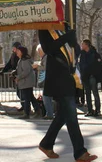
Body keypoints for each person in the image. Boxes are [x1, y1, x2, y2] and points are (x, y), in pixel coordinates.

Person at [37, 28, 98, 162]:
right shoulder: (44, 29)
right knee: (71, 115)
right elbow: (49, 49)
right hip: (57, 79)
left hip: (68, 76)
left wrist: (73, 39)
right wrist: (65, 38)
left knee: (63, 115)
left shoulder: (62, 28)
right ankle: (80, 152)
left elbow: (75, 49)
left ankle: (46, 143)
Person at [77, 39, 102, 117]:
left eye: (83, 44)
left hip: (92, 76)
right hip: (85, 76)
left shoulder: (94, 53)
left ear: (87, 45)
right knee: (87, 93)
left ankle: (97, 109)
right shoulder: (82, 54)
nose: (82, 46)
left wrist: (94, 72)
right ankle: (90, 110)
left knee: (95, 92)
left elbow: (98, 64)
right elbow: (81, 64)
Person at [15, 46, 40, 119]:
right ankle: (37, 110)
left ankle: (27, 113)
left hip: (26, 82)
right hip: (26, 82)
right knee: (30, 97)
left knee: (27, 98)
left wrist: (18, 77)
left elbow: (26, 71)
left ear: (22, 52)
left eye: (18, 51)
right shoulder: (22, 60)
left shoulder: (25, 60)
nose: (17, 52)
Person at [36, 44, 54, 119]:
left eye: (39, 51)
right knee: (47, 97)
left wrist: (37, 67)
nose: (39, 53)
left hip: (47, 80)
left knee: (46, 97)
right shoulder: (45, 57)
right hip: (47, 79)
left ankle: (49, 113)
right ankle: (49, 113)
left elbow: (45, 68)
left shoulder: (46, 57)